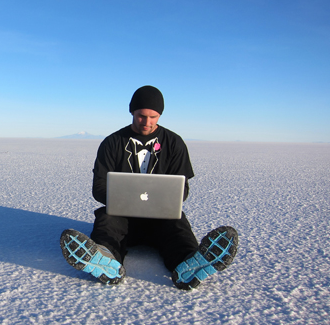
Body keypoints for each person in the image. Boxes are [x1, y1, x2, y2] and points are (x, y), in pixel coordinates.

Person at [60, 85, 238, 290]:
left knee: (177, 224)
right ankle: (105, 261)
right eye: (141, 116)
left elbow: (183, 191)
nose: (147, 122)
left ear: (160, 115)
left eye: (153, 117)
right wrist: (122, 200)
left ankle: (189, 264)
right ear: (132, 112)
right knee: (107, 221)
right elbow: (98, 187)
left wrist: (164, 200)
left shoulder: (174, 143)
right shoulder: (112, 143)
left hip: (160, 219)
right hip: (122, 218)